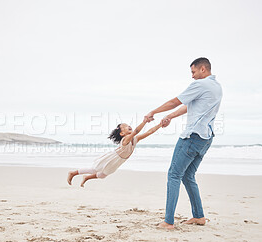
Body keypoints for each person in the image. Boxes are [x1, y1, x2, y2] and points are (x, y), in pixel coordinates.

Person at [145, 57, 223, 230]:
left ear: (203, 69)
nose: (193, 76)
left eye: (194, 72)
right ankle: (198, 216)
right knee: (188, 176)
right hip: (206, 138)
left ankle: (168, 221)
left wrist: (154, 111)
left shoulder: (201, 84)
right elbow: (190, 106)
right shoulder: (216, 87)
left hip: (192, 137)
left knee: (174, 175)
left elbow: (175, 101)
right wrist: (170, 116)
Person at [67, 117, 161, 187]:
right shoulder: (126, 139)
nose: (128, 126)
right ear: (122, 134)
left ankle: (86, 178)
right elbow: (136, 131)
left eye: (128, 125)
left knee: (103, 175)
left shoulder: (135, 139)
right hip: (113, 158)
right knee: (94, 169)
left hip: (119, 161)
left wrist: (160, 124)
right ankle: (73, 173)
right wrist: (144, 121)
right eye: (125, 127)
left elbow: (149, 132)